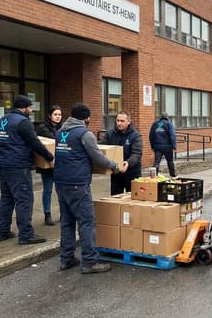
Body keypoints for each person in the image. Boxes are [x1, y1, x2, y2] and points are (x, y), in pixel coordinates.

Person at [54, 103, 129, 274]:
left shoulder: (60, 133)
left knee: (67, 222)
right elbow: (98, 158)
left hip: (60, 183)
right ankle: (89, 261)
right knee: (87, 222)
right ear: (85, 118)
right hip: (78, 184)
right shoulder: (85, 134)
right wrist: (116, 167)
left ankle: (66, 259)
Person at [0, 95, 54, 245]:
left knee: (7, 198)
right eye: (30, 107)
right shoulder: (23, 122)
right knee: (24, 199)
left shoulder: (2, 120)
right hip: (17, 166)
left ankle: (2, 231)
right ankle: (26, 234)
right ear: (24, 107)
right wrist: (49, 157)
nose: (32, 109)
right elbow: (35, 143)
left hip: (2, 164)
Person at [100, 111, 142, 195]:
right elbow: (102, 147)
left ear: (129, 122)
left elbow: (137, 154)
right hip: (116, 172)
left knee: (132, 198)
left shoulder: (136, 135)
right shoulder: (110, 133)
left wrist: (128, 163)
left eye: (122, 121)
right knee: (115, 198)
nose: (119, 123)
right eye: (117, 120)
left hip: (132, 172)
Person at [35, 105, 62, 226]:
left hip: (61, 163)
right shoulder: (42, 127)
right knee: (47, 190)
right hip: (47, 163)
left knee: (61, 190)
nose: (58, 117)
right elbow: (52, 140)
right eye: (55, 114)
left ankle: (64, 213)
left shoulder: (63, 127)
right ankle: (47, 214)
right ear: (49, 115)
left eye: (60, 115)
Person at [149, 112, 177, 177]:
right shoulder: (169, 124)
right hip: (168, 147)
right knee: (170, 161)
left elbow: (151, 135)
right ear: (167, 117)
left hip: (157, 147)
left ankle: (153, 177)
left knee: (156, 162)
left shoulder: (155, 124)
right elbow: (172, 135)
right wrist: (174, 146)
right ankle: (173, 175)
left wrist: (152, 146)